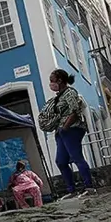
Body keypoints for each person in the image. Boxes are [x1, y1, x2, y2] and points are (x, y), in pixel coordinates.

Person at [38, 69, 96, 199]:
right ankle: (71, 190)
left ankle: (89, 187)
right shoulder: (59, 96)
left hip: (72, 129)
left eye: (52, 81)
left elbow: (75, 111)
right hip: (61, 132)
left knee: (77, 157)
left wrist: (65, 127)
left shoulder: (70, 93)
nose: (51, 84)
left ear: (60, 80)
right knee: (61, 161)